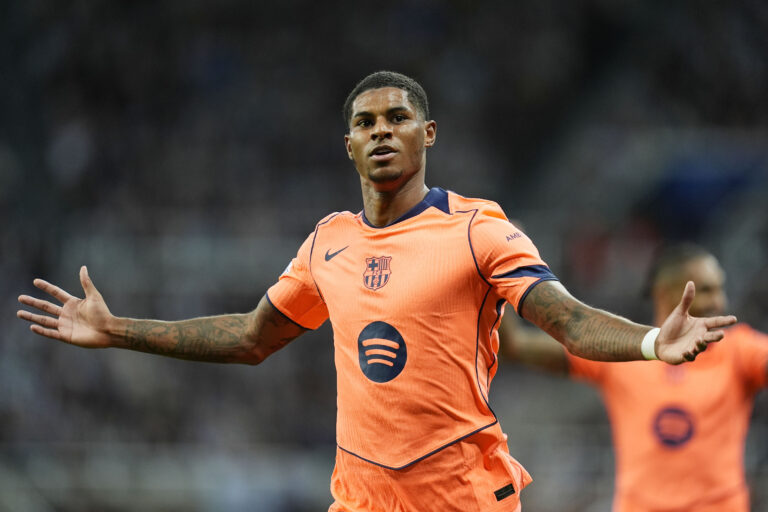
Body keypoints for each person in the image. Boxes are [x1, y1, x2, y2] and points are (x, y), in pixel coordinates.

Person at [17, 71, 737, 512]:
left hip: (460, 498)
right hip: (361, 499)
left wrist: (651, 341)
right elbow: (250, 338)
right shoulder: (327, 241)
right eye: (365, 123)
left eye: (397, 119)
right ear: (350, 146)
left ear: (428, 134)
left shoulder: (478, 229)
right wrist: (117, 329)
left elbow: (569, 321)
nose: (381, 131)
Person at [500, 243, 768, 512]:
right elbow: (514, 345)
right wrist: (501, 269)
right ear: (667, 293)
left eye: (720, 289)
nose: (720, 302)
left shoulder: (739, 352)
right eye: (707, 290)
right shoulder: (622, 352)